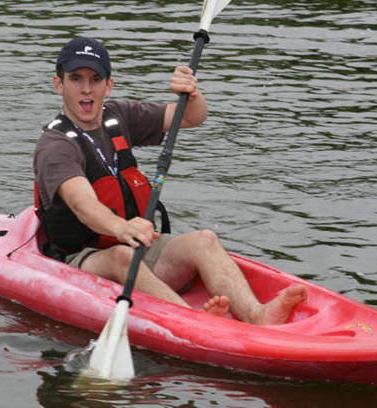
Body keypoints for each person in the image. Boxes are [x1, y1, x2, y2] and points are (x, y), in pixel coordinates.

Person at [34, 36, 305, 324]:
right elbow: (81, 202)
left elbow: (191, 118)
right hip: (78, 261)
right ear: (59, 84)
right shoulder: (56, 145)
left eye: (95, 79)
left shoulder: (119, 116)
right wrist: (121, 227)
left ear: (108, 85)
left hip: (135, 246)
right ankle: (193, 322)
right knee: (121, 257)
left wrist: (191, 94)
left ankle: (257, 314)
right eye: (76, 79)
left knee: (204, 240)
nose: (86, 89)